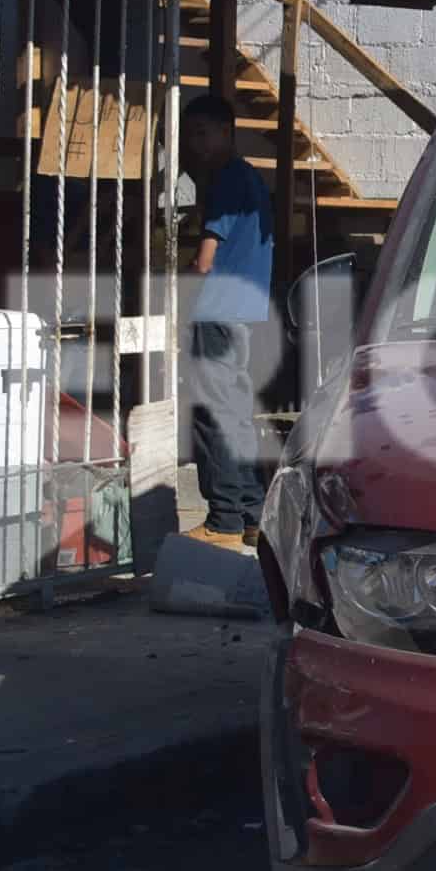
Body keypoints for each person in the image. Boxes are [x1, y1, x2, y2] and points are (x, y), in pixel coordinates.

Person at [179, 96, 272, 549]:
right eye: (190, 135)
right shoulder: (250, 179)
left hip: (217, 310)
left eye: (202, 133)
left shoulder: (226, 183)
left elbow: (204, 261)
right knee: (234, 414)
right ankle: (253, 514)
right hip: (244, 312)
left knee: (212, 416)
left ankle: (224, 520)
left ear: (226, 133)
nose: (195, 145)